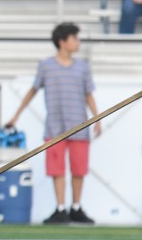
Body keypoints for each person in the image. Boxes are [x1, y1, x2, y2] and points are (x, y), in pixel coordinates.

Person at [6, 23, 100, 225]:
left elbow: (88, 95)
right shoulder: (46, 66)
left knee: (78, 169)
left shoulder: (83, 68)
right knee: (57, 169)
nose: (78, 43)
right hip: (55, 127)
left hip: (79, 126)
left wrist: (97, 119)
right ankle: (60, 208)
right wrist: (16, 116)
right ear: (62, 42)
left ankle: (76, 207)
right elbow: (33, 90)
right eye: (74, 39)